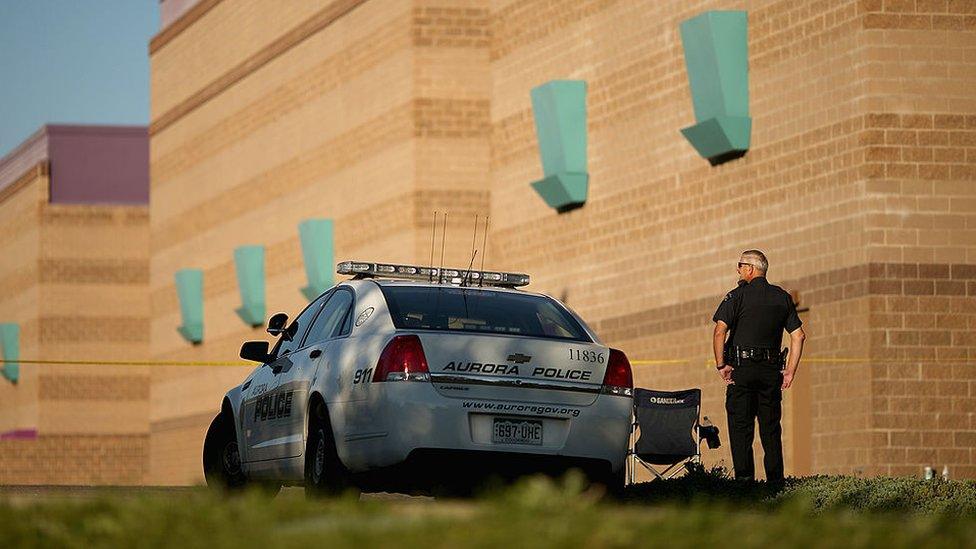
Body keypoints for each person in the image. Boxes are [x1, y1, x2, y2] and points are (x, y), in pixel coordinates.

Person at [712, 250, 805, 482]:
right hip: (770, 372)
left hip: (741, 372)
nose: (738, 270)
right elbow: (799, 336)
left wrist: (721, 365)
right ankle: (776, 483)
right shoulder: (782, 297)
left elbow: (719, 331)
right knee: (771, 430)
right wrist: (790, 371)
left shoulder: (736, 297)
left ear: (751, 269)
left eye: (740, 265)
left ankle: (745, 483)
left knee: (741, 428)